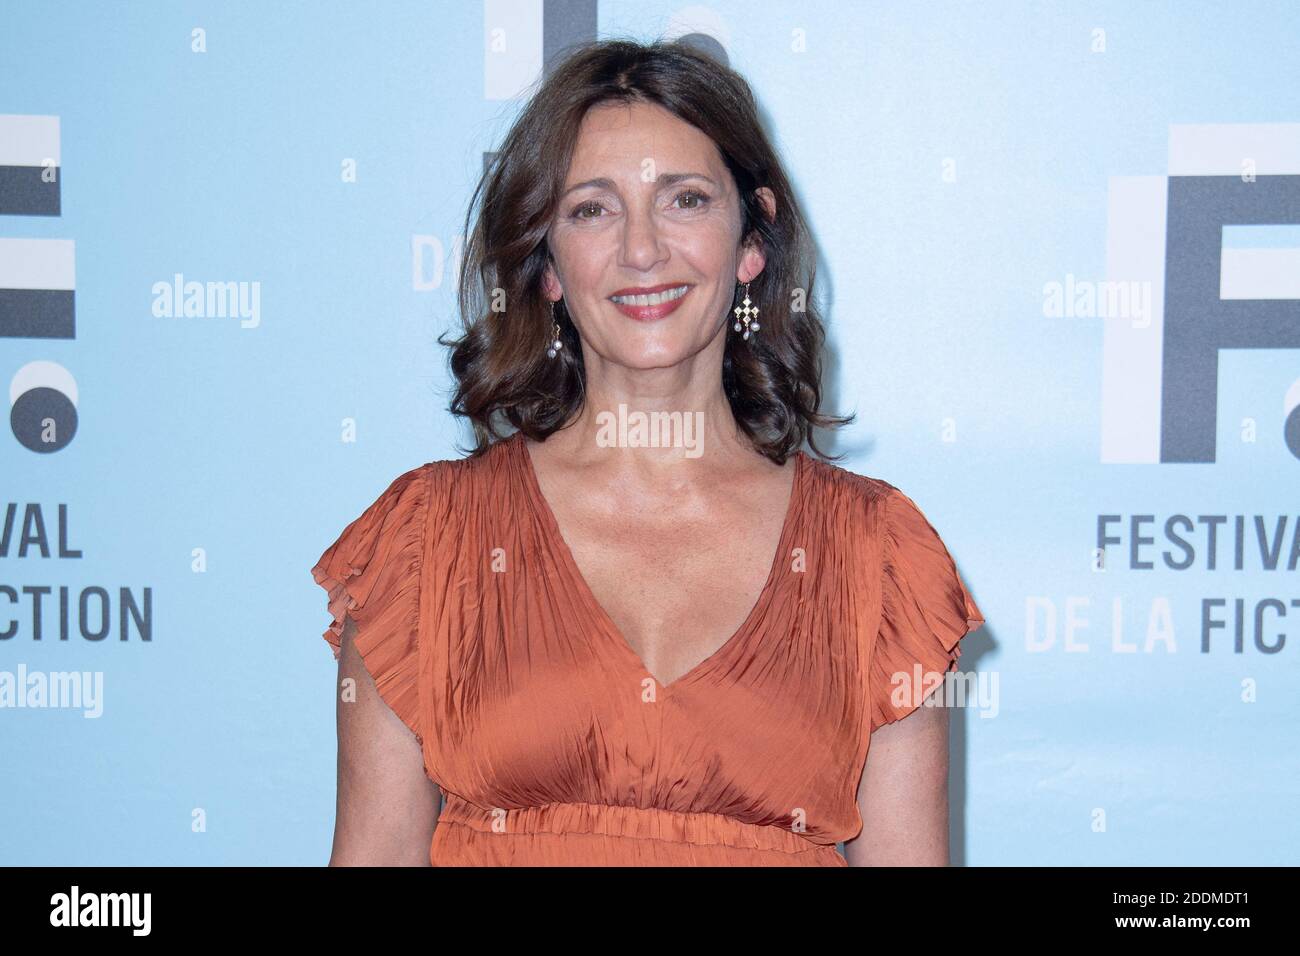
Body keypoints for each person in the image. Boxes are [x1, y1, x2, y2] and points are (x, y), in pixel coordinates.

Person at [312, 38, 984, 866]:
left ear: (751, 242)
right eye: (592, 208)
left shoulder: (877, 560)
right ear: (548, 262)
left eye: (685, 200)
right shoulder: (426, 546)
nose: (641, 250)